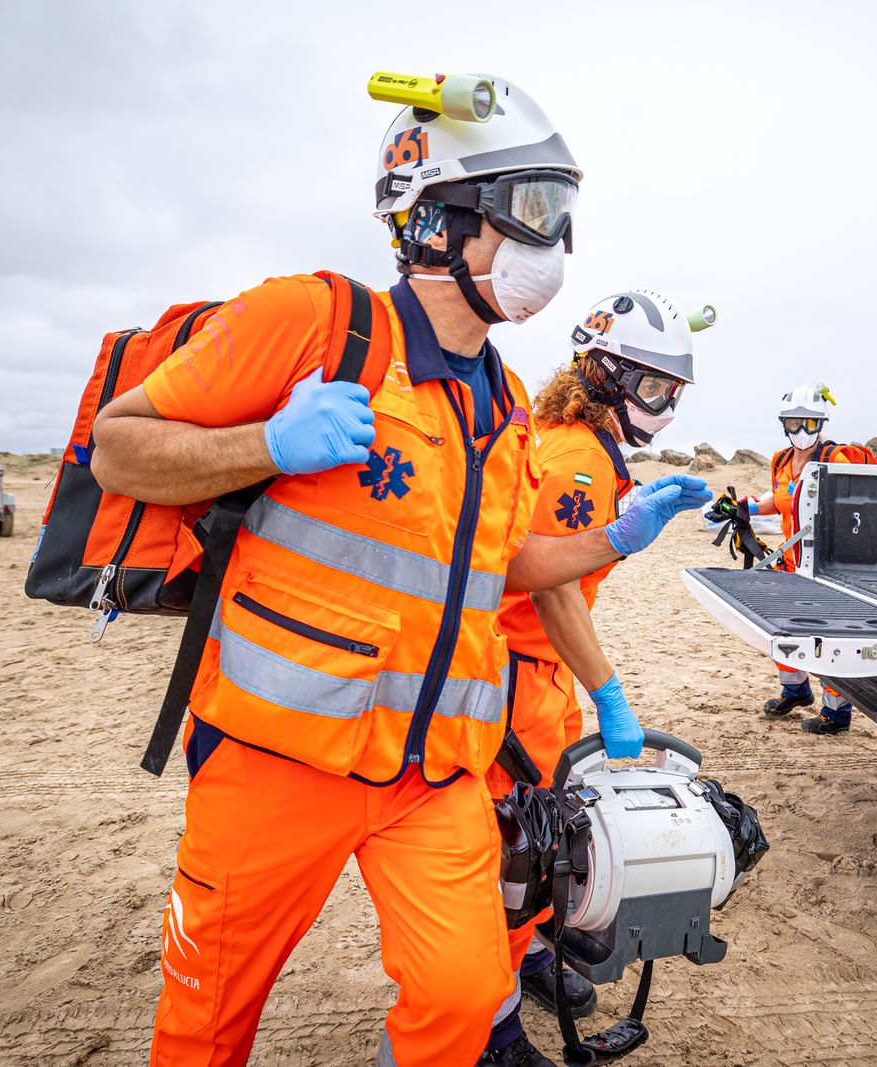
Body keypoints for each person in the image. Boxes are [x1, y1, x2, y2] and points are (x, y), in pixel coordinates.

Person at [88, 75, 711, 1067]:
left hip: (437, 777)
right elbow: (118, 449)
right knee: (205, 1026)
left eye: (565, 214)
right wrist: (265, 442)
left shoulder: (504, 400)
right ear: (433, 216)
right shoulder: (312, 322)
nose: (554, 246)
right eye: (534, 209)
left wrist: (614, 538)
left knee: (465, 1003)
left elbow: (502, 562)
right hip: (274, 762)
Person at [483, 290, 709, 1066]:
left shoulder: (571, 442)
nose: (663, 407)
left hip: (528, 678)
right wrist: (610, 691)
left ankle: (535, 957)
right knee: (517, 854)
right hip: (515, 678)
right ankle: (494, 1028)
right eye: (653, 388)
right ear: (606, 376)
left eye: (673, 393)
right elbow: (548, 590)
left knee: (538, 845)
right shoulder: (580, 457)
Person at [745, 383, 877, 736]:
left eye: (810, 423)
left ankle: (836, 713)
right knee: (782, 628)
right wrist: (746, 507)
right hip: (789, 560)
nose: (802, 431)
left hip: (826, 566)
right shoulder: (781, 460)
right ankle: (795, 690)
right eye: (794, 424)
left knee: (829, 638)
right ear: (784, 424)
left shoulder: (836, 459)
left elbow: (855, 503)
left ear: (821, 424)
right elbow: (778, 499)